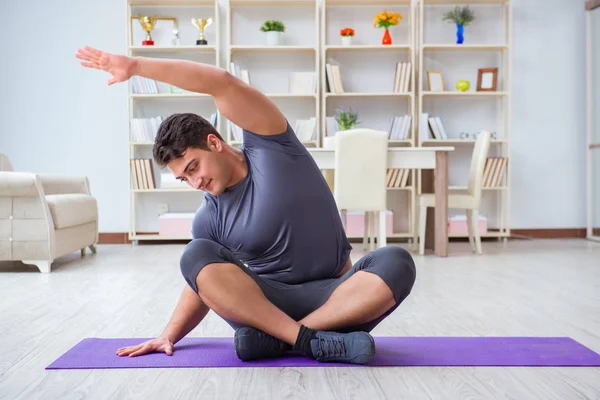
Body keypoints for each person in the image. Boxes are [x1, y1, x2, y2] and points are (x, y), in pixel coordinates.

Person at [76, 46, 417, 365]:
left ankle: (285, 341)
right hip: (269, 306)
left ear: (214, 142)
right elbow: (202, 282)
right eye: (184, 179)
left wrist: (136, 66)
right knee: (194, 254)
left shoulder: (271, 144)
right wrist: (168, 334)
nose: (195, 183)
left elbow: (221, 83)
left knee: (397, 261)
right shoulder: (209, 217)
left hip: (338, 300)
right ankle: (313, 342)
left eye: (194, 167)